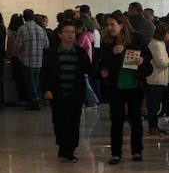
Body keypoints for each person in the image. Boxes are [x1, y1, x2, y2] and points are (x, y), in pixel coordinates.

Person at [98, 12, 152, 164]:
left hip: (134, 84)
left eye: (112, 24)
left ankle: (137, 151)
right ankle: (115, 153)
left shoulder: (136, 38)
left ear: (122, 25)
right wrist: (111, 58)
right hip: (116, 85)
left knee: (135, 119)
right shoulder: (107, 42)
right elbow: (103, 62)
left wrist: (142, 60)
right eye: (107, 25)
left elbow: (148, 57)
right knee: (116, 120)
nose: (109, 28)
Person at [41, 20, 93, 161]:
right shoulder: (53, 53)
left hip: (75, 94)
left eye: (72, 32)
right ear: (60, 34)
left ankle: (69, 150)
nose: (70, 35)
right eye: (67, 32)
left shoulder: (80, 53)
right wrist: (46, 89)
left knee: (73, 122)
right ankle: (62, 146)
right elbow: (45, 73)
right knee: (59, 123)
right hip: (58, 94)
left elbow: (89, 70)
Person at [13, 9, 47, 110]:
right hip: (38, 60)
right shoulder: (41, 29)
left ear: (24, 17)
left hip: (26, 60)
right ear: (33, 17)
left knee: (29, 83)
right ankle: (36, 100)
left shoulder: (22, 29)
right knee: (36, 81)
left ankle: (33, 102)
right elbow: (46, 44)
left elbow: (18, 46)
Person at [145, 23, 169, 136]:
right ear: (164, 33)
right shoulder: (156, 44)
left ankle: (155, 126)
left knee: (156, 105)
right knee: (153, 105)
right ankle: (152, 127)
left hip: (160, 78)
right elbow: (161, 62)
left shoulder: (159, 43)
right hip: (155, 79)